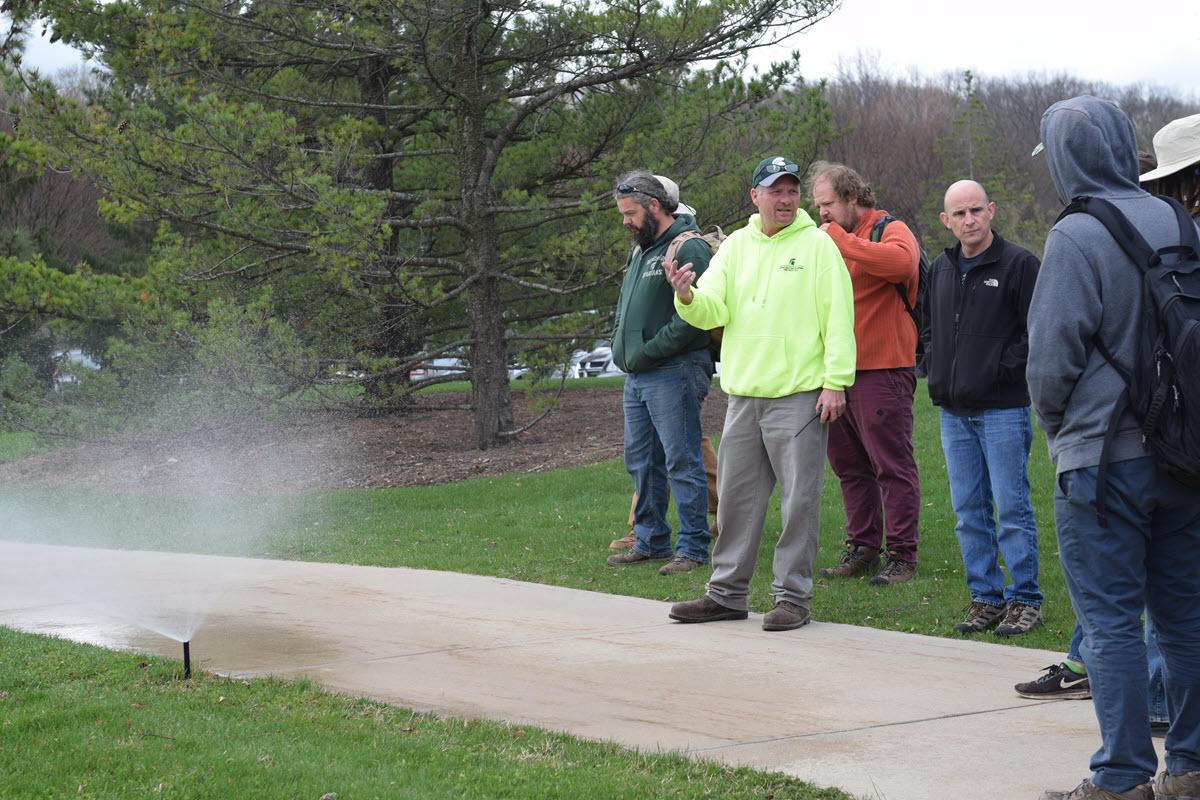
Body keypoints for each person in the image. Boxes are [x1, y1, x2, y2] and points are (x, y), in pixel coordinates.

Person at [1028, 95, 1200, 800]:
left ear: (1068, 157)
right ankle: (1189, 767)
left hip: (1102, 462)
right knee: (1185, 616)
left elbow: (1049, 363)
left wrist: (1059, 429)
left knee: (1110, 625)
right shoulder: (1179, 220)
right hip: (1184, 455)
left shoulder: (1075, 235)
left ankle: (1122, 778)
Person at [662, 155, 856, 631]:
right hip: (745, 396)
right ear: (756, 196)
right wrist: (686, 296)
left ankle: (792, 598)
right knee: (735, 502)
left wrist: (836, 382)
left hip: (799, 395)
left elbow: (839, 318)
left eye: (792, 191)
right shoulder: (736, 248)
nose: (786, 199)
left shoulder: (817, 246)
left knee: (799, 503)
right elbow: (711, 309)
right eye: (776, 191)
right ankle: (726, 594)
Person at [925, 179, 1044, 637]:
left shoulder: (1019, 265)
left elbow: (1035, 333)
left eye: (976, 210)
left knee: (1012, 507)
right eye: (959, 214)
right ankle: (985, 596)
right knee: (968, 510)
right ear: (946, 220)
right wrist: (934, 366)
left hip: (1002, 409)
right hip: (954, 411)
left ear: (992, 210)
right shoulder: (941, 267)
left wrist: (999, 370)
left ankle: (1025, 598)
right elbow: (928, 327)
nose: (969, 220)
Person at [806, 162, 921, 586]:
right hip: (835, 374)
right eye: (818, 206)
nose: (822, 214)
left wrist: (841, 241)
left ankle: (903, 555)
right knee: (850, 467)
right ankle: (863, 547)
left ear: (853, 198)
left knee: (891, 466)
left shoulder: (888, 228)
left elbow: (901, 266)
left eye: (828, 204)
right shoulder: (825, 238)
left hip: (883, 369)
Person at [605, 170, 715, 576]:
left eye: (630, 213)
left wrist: (649, 350)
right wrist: (622, 344)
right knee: (642, 460)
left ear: (654, 206)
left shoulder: (688, 247)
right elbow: (625, 308)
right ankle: (650, 539)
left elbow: (697, 318)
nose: (625, 222)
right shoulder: (641, 251)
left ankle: (693, 547)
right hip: (638, 376)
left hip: (675, 370)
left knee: (682, 459)